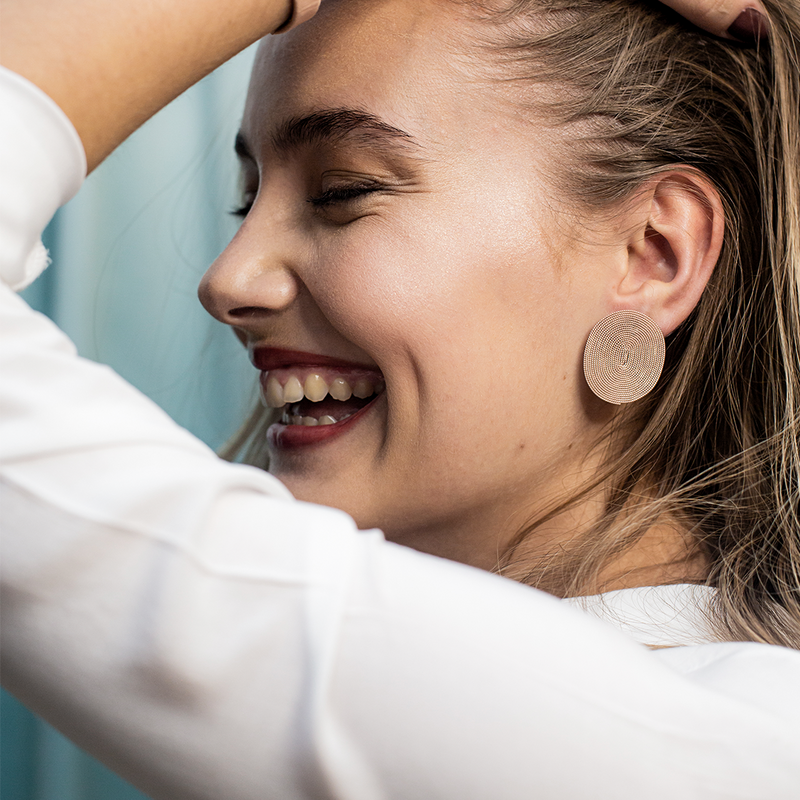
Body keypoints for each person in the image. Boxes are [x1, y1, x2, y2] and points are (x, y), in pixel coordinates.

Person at [1, 0, 799, 799]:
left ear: (651, 255)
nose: (227, 279)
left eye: (342, 191)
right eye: (247, 201)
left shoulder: (690, 750)